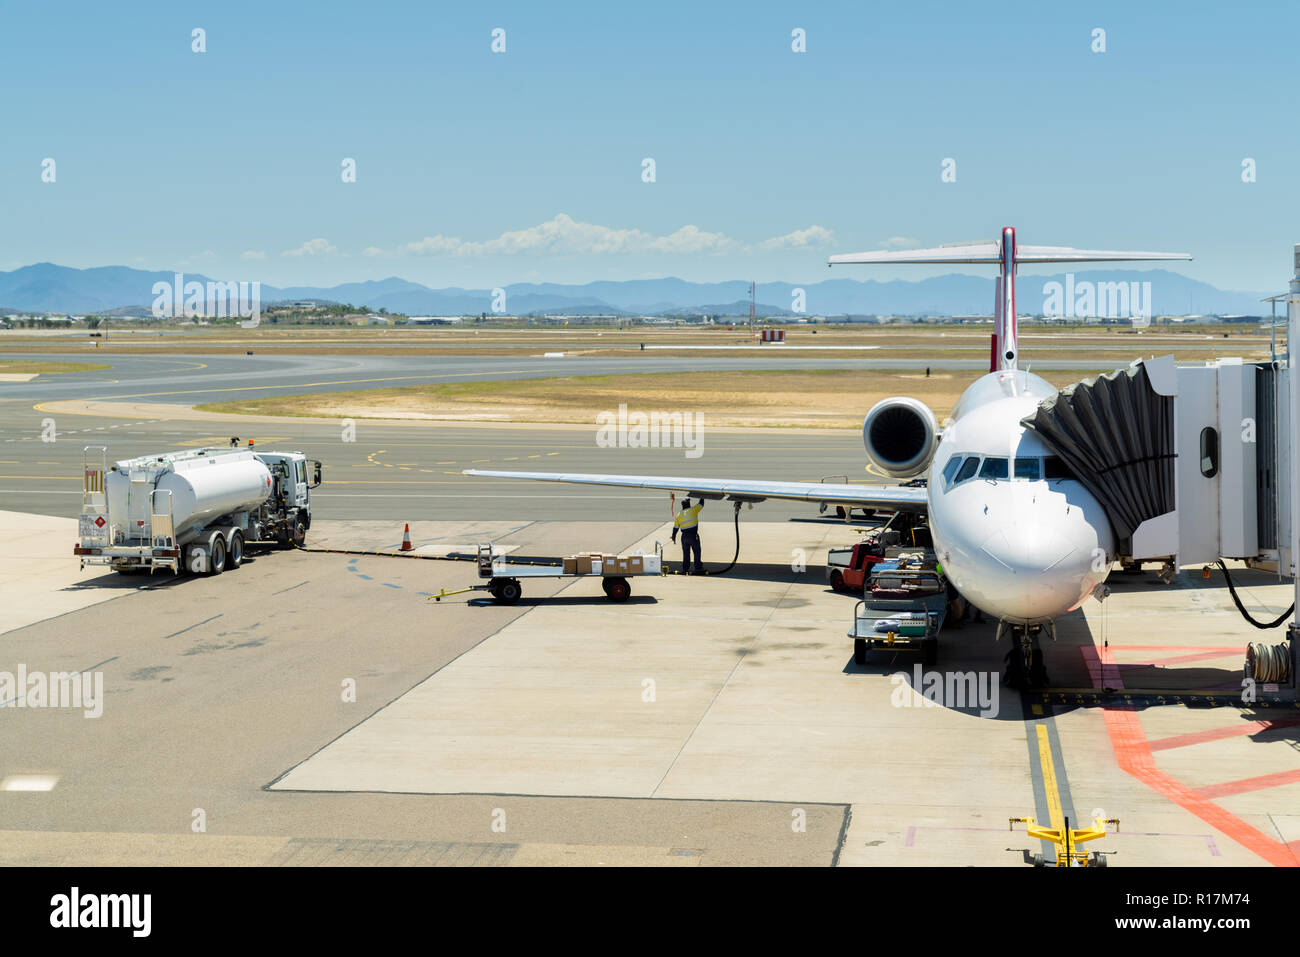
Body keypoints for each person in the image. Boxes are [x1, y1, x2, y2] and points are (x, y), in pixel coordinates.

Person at [671, 497, 705, 575]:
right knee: (696, 552)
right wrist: (702, 496)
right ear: (688, 504)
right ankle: (698, 568)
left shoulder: (678, 515)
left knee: (686, 553)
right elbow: (701, 504)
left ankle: (685, 569)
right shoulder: (693, 510)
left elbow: (675, 528)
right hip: (693, 535)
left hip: (684, 537)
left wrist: (673, 536)